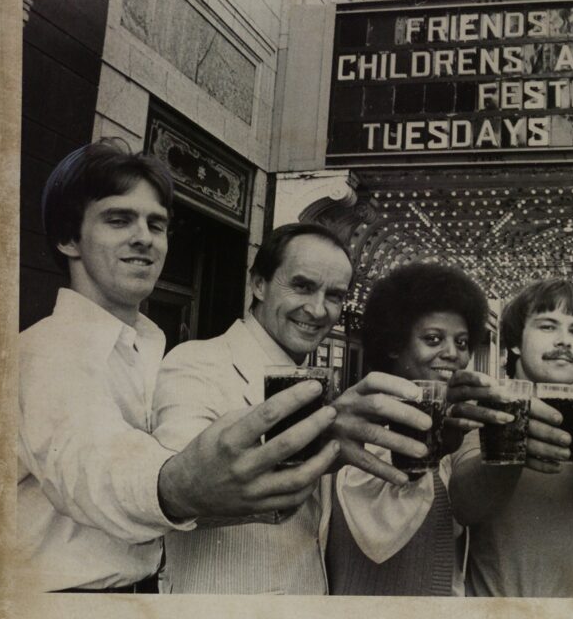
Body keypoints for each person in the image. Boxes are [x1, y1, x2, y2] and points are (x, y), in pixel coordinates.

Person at [18, 142, 338, 593]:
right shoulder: (49, 351)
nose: (144, 238)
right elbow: (93, 469)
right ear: (69, 239)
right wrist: (181, 484)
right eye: (118, 219)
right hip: (65, 611)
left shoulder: (144, 348)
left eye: (157, 224)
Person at [152, 223, 433, 594]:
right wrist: (316, 443)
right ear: (258, 284)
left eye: (334, 295)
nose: (318, 309)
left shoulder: (316, 383)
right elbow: (179, 492)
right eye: (302, 286)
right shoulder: (195, 363)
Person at [327, 262, 490, 596]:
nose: (452, 354)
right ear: (393, 344)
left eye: (461, 342)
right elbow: (376, 538)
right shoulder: (357, 426)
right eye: (433, 339)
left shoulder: (459, 428)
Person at [445, 278, 573, 597]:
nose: (564, 341)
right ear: (515, 343)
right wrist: (513, 439)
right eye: (548, 327)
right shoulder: (487, 408)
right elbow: (464, 504)